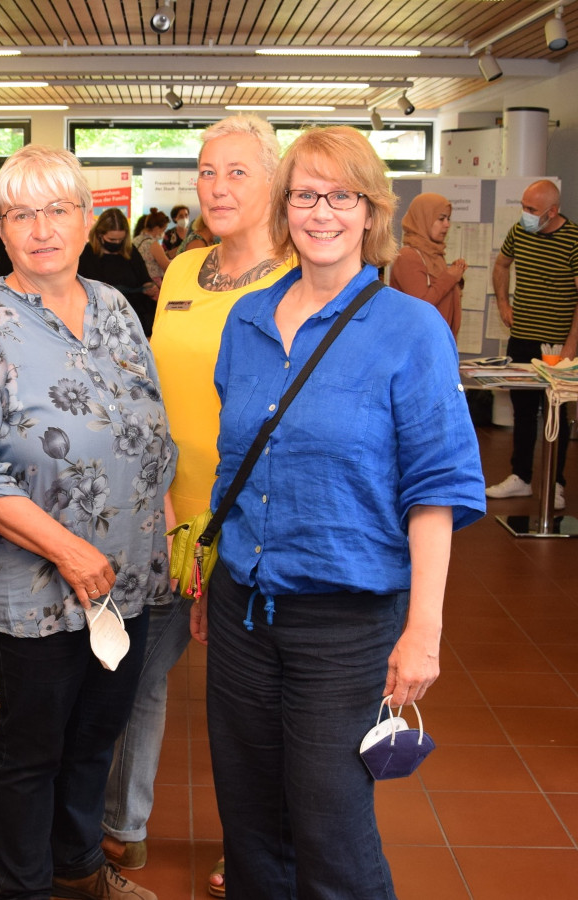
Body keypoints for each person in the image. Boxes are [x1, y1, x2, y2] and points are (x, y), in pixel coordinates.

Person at [204, 125, 485, 899]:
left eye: (341, 196)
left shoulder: (409, 329)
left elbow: (438, 485)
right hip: (242, 612)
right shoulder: (248, 320)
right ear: (284, 207)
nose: (321, 212)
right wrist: (212, 570)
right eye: (304, 194)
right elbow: (236, 461)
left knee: (331, 822)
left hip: (346, 618)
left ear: (370, 211)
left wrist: (422, 631)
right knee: (251, 816)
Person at [0, 144, 175, 900]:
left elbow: (153, 429)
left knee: (95, 738)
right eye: (20, 214)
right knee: (33, 751)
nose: (42, 229)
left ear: (85, 217)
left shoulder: (115, 308)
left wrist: (162, 522)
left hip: (128, 581)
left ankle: (79, 871)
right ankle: (27, 889)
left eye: (57, 209)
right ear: (1, 230)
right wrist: (69, 551)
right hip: (33, 592)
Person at [103, 115, 290, 895]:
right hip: (167, 515)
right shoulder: (183, 271)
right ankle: (121, 827)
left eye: (237, 172)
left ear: (275, 181)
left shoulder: (297, 276)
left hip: (256, 521)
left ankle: (254, 845)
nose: (217, 187)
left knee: (252, 695)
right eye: (208, 171)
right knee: (139, 674)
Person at [484, 179, 578, 509]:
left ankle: (556, 482)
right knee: (523, 410)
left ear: (552, 212)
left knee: (555, 412)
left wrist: (570, 346)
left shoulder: (574, 240)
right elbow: (501, 264)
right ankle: (520, 477)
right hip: (521, 338)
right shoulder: (520, 232)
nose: (525, 214)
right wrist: (503, 303)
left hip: (555, 346)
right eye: (523, 206)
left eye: (532, 209)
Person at [389, 192, 466, 336]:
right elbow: (422, 305)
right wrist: (449, 277)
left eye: (448, 219)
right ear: (424, 219)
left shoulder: (435, 254)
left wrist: (456, 278)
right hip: (417, 344)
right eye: (441, 219)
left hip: (437, 340)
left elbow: (441, 297)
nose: (447, 225)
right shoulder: (408, 256)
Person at [78, 207, 159, 335]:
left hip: (133, 319)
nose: (117, 243)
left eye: (121, 240)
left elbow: (145, 279)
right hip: (100, 322)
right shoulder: (87, 255)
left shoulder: (130, 251)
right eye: (112, 240)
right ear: (100, 234)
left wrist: (150, 287)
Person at [132, 208, 170, 287]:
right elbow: (167, 267)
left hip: (137, 282)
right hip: (153, 285)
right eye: (163, 230)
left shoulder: (135, 240)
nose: (163, 233)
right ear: (156, 229)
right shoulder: (153, 244)